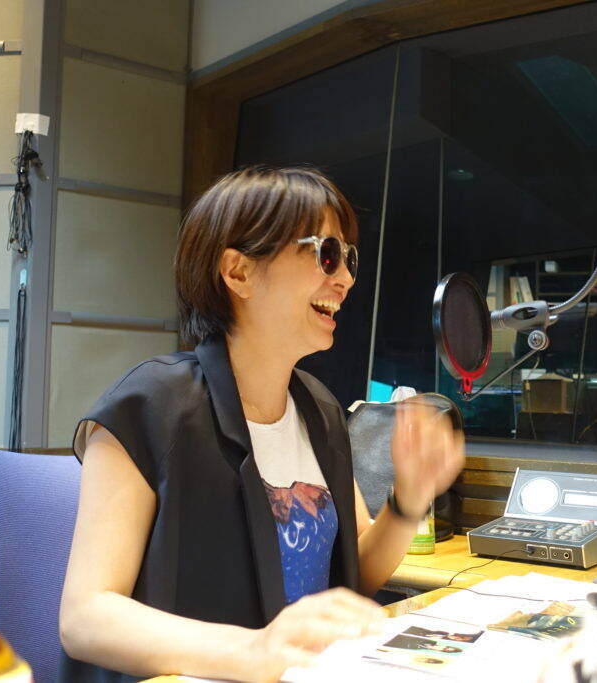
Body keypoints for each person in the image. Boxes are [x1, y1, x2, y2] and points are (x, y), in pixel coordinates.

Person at [59, 166, 466, 683]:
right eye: (326, 253)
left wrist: (408, 499)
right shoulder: (152, 404)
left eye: (349, 259)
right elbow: (86, 617)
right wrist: (255, 650)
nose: (344, 279)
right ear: (239, 273)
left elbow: (353, 572)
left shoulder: (320, 410)